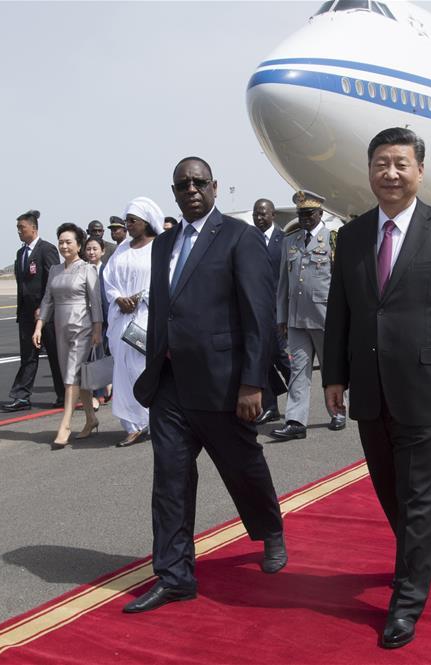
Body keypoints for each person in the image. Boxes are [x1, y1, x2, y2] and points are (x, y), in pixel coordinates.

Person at [322, 128, 431, 648]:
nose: (390, 174)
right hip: (370, 387)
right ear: (369, 170)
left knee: (419, 496)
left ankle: (406, 598)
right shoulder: (350, 237)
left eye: (400, 164)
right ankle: (429, 553)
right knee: (388, 489)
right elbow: (341, 314)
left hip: (426, 384)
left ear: (420, 171)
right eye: (380, 164)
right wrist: (334, 374)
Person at [126, 156, 285, 614]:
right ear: (173, 192)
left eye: (199, 182)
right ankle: (174, 576)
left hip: (224, 383)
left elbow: (257, 314)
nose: (192, 189)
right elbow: (163, 310)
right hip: (172, 385)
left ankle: (269, 529)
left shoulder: (241, 238)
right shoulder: (164, 244)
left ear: (214, 187)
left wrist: (253, 382)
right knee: (170, 481)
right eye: (183, 184)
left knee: (242, 466)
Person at [271, 191, 346, 440]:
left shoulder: (332, 239)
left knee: (331, 368)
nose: (304, 219)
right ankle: (295, 420)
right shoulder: (290, 241)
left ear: (320, 214)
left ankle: (337, 411)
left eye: (309, 214)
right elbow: (283, 283)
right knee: (298, 370)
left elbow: (340, 283)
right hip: (296, 318)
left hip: (324, 316)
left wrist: (342, 318)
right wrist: (281, 317)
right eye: (301, 214)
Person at [32, 223, 104, 448]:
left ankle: (65, 424)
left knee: (71, 375)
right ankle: (91, 419)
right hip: (60, 327)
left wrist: (97, 329)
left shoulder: (87, 269)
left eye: (68, 242)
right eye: (61, 242)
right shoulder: (54, 270)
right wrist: (39, 326)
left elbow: (96, 302)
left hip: (81, 328)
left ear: (79, 245)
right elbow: (47, 300)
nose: (64, 246)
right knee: (74, 375)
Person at [104, 196, 162, 447]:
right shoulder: (122, 249)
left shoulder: (159, 247)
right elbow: (109, 279)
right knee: (123, 370)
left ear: (146, 221)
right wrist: (118, 298)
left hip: (146, 317)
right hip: (121, 318)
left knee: (142, 368)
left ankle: (150, 420)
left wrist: (138, 297)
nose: (128, 225)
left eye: (132, 220)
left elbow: (164, 280)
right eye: (126, 220)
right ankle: (132, 425)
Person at [3, 210, 65, 411]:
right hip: (26, 315)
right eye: (17, 228)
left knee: (55, 356)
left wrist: (44, 307)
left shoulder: (46, 249)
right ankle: (21, 396)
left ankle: (64, 395)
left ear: (34, 228)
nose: (19, 231)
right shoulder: (21, 253)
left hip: (46, 314)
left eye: (22, 228)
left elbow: (53, 280)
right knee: (28, 356)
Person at [252, 197, 290, 425]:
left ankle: (297, 398)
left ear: (273, 215)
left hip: (277, 311)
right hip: (256, 311)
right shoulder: (249, 240)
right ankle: (270, 406)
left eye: (263, 214)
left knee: (281, 357)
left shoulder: (283, 240)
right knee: (261, 358)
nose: (259, 217)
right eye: (256, 214)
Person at [84, 236, 111, 408]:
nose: (92, 252)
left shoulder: (107, 271)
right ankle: (95, 394)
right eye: (88, 249)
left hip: (108, 320)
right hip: (88, 321)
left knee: (105, 355)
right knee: (92, 357)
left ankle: (107, 385)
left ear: (103, 251)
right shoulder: (82, 270)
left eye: (95, 248)